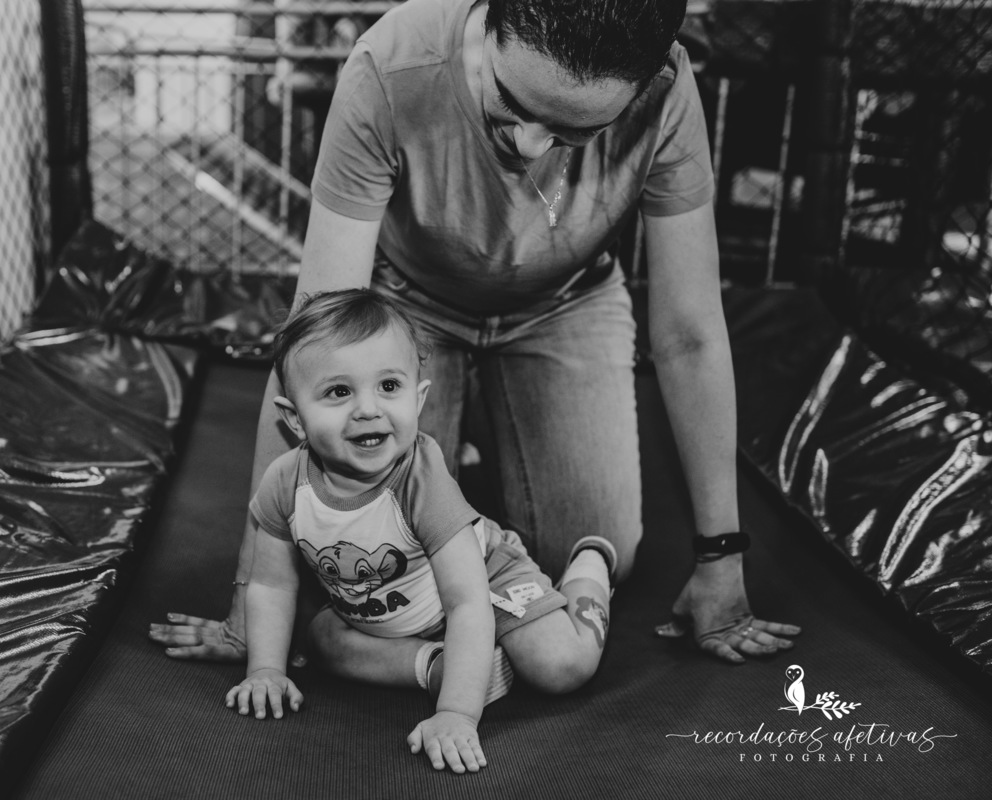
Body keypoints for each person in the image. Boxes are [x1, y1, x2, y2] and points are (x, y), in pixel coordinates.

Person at [150, 0, 800, 677]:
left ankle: (478, 435)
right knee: (358, 552)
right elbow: (315, 344)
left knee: (598, 548)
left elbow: (690, 333)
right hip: (413, 308)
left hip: (563, 305)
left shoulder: (669, 92)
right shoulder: (391, 66)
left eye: (571, 132)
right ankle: (456, 430)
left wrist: (721, 556)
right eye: (510, 103)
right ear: (490, 20)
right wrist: (246, 610)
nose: (528, 146)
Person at [220, 288, 617, 773]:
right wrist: (265, 670)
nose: (367, 409)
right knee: (320, 641)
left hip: (484, 582)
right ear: (294, 419)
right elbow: (271, 583)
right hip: (388, 614)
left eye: (388, 386)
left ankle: (590, 564)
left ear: (418, 398)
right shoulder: (285, 482)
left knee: (561, 666)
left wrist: (455, 714)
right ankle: (440, 665)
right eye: (339, 392)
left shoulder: (420, 478)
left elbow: (466, 602)